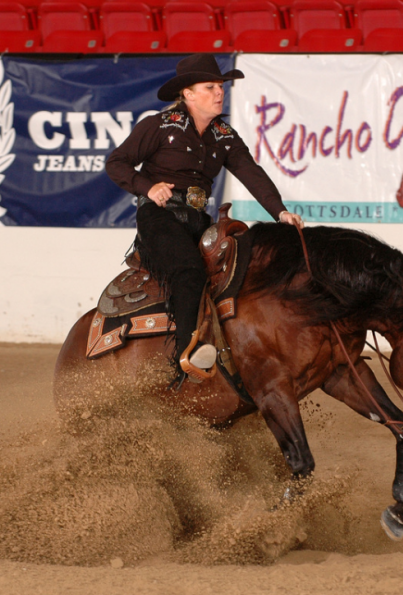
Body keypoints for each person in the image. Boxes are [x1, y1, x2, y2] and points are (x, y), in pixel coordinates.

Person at [106, 54, 303, 383]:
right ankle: (188, 358)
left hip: (197, 219)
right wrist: (148, 187)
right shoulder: (157, 126)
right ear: (188, 93)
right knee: (188, 269)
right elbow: (117, 163)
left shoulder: (224, 134)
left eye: (221, 86)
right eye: (210, 86)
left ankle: (244, 350)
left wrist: (280, 212)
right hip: (159, 217)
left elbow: (251, 173)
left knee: (242, 264)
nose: (219, 92)